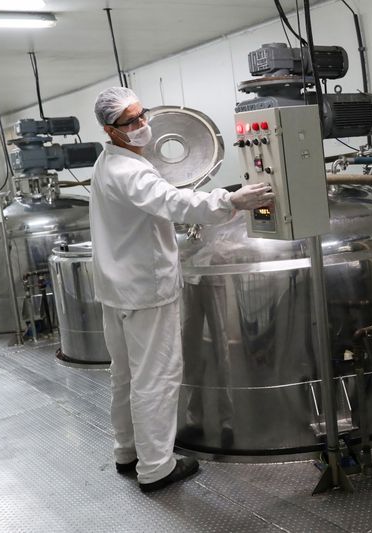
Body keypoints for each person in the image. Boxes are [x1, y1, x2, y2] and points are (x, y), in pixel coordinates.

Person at [90, 86, 274, 493]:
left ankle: (127, 452)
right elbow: (174, 204)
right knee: (155, 378)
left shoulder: (107, 162)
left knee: (124, 376)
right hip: (145, 290)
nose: (142, 125)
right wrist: (232, 200)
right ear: (111, 129)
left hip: (115, 289)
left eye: (143, 114)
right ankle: (156, 468)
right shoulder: (131, 171)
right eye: (131, 121)